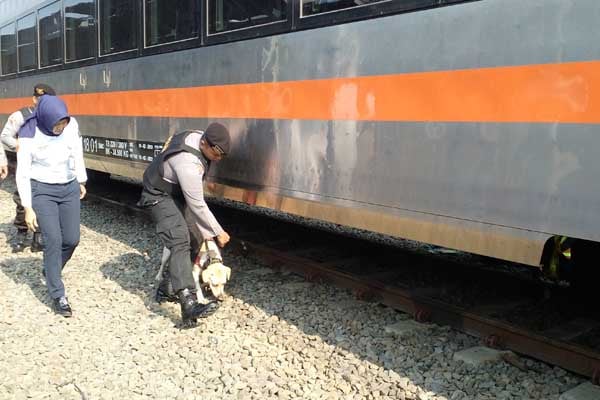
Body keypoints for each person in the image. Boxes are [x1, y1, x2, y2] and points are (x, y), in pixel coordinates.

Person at [138, 123, 231, 327]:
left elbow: (193, 202)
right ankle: (189, 304)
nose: (218, 159)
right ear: (204, 143)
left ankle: (167, 288)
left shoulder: (200, 139)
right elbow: (197, 204)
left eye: (222, 155)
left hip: (175, 194)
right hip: (157, 195)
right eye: (216, 154)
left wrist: (206, 233)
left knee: (196, 238)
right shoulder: (188, 163)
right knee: (179, 238)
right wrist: (218, 231)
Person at [16, 95, 87, 317]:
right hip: (42, 189)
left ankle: (51, 268)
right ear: (45, 120)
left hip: (68, 187)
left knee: (72, 239)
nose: (59, 128)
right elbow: (23, 173)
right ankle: (58, 294)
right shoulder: (28, 135)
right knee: (53, 240)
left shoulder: (71, 124)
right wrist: (27, 206)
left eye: (62, 123)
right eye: (56, 124)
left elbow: (77, 151)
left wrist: (81, 180)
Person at [1, 84, 57, 252]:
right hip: (26, 164)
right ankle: (21, 232)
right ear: (34, 99)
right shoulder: (21, 116)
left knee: (43, 197)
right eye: (39, 99)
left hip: (45, 164)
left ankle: (38, 234)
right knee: (21, 198)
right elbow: (5, 136)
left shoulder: (54, 116)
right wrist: (18, 146)